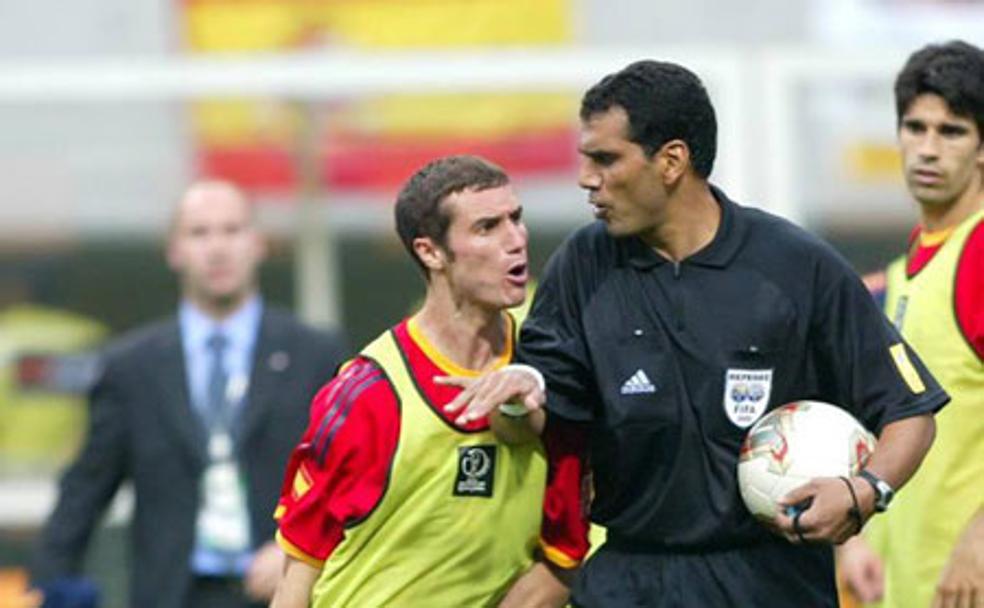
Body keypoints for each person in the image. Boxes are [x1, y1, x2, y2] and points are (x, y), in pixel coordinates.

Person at [444, 60, 949, 607]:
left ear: (671, 161)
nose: (587, 178)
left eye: (606, 159)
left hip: (771, 582)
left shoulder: (796, 266)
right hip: (628, 578)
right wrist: (518, 404)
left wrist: (862, 492)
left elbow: (909, 411)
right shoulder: (582, 267)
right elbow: (544, 419)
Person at [29, 180, 348, 608]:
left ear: (257, 243)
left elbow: (346, 476)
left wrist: (296, 552)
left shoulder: (314, 353)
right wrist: (53, 583)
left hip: (284, 589)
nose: (217, 248)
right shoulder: (131, 368)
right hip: (172, 594)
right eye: (199, 233)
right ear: (174, 250)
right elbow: (86, 488)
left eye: (232, 230)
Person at [269, 155, 565, 608]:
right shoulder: (367, 394)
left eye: (516, 219)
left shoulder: (553, 368)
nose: (516, 241)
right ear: (430, 252)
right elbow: (300, 568)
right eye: (487, 228)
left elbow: (581, 535)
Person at [837, 40, 984, 608]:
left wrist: (978, 537)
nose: (927, 148)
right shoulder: (900, 276)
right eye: (915, 127)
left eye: (951, 132)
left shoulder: (977, 253)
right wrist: (859, 537)